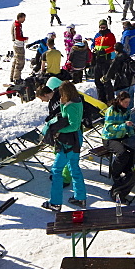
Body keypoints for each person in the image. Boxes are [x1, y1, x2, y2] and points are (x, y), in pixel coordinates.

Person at [41, 81, 87, 211]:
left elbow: (73, 125)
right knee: (74, 167)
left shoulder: (72, 106)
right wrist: (62, 104)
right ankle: (80, 197)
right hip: (75, 140)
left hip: (69, 142)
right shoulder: (75, 102)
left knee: (56, 170)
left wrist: (59, 131)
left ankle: (55, 202)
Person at [102, 91, 135, 199]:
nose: (127, 105)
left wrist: (133, 136)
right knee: (122, 153)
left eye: (128, 102)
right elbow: (109, 128)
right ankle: (116, 173)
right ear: (120, 100)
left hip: (121, 136)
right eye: (125, 102)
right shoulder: (111, 110)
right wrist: (123, 126)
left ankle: (126, 168)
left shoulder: (126, 111)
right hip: (110, 137)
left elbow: (129, 126)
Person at [11, 12, 27, 84]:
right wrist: (24, 38)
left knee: (15, 61)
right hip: (19, 45)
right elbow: (18, 37)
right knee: (20, 62)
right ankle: (17, 78)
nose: (24, 20)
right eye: (23, 18)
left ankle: (13, 76)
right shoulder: (17, 26)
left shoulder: (16, 24)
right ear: (20, 18)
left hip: (16, 45)